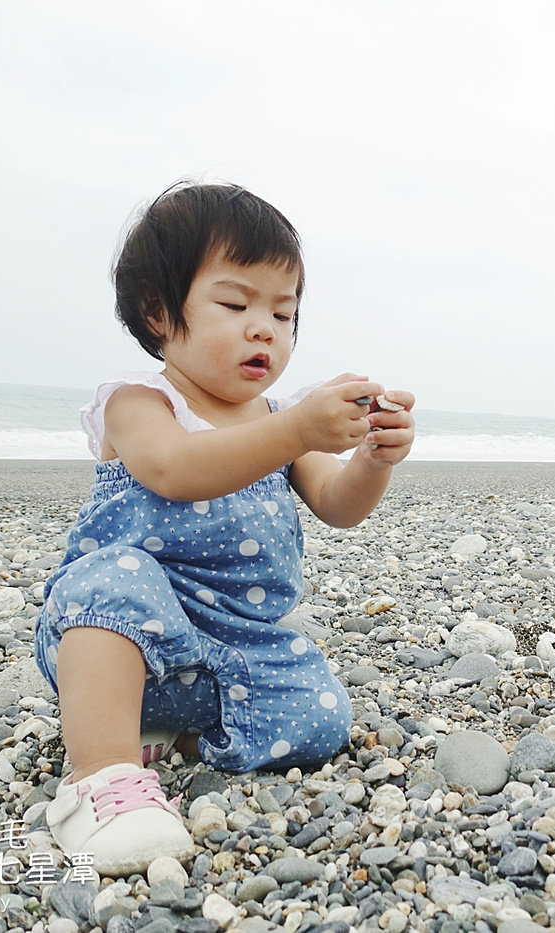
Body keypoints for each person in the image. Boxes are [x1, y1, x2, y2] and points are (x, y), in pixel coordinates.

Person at [33, 181, 415, 875]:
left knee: (323, 712)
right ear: (158, 309)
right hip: (117, 639)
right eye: (236, 304)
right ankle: (99, 776)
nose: (264, 327)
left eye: (283, 312)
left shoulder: (278, 420)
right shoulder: (139, 403)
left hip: (228, 651)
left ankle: (172, 737)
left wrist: (373, 457)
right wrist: (296, 425)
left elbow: (337, 503)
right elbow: (176, 468)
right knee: (114, 579)